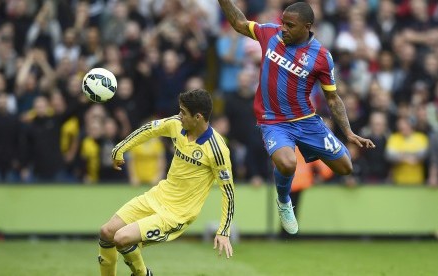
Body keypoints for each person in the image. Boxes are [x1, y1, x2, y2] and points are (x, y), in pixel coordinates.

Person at [217, 1, 375, 234]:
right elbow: (240, 23)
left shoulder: (321, 56)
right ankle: (283, 200)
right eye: (283, 23)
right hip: (274, 122)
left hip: (307, 121)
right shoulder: (270, 33)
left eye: (290, 25)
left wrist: (348, 132)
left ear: (307, 26)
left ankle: (310, 147)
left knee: (345, 167)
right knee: (288, 163)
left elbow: (332, 99)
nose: (284, 29)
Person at [98, 89, 235, 276]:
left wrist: (224, 230)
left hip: (176, 214)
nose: (179, 116)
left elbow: (228, 191)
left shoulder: (217, 149)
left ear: (198, 117)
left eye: (183, 113)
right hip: (158, 196)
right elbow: (149, 129)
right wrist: (120, 148)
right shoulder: (177, 125)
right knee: (106, 232)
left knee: (121, 238)